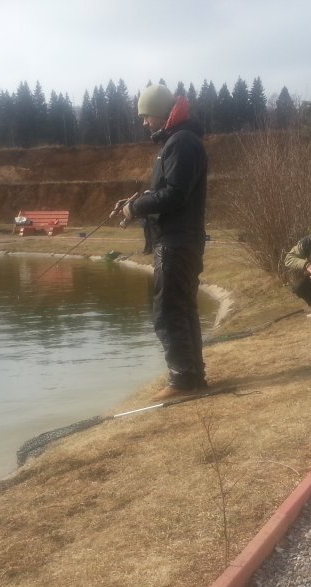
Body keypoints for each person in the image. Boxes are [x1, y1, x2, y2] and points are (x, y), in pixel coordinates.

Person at [115, 84, 209, 400]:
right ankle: (192, 377)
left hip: (176, 242)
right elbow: (169, 191)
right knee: (183, 308)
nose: (144, 123)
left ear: (159, 112)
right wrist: (136, 202)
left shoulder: (181, 142)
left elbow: (174, 195)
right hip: (182, 240)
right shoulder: (181, 141)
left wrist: (136, 207)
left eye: (146, 116)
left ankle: (182, 380)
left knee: (168, 311)